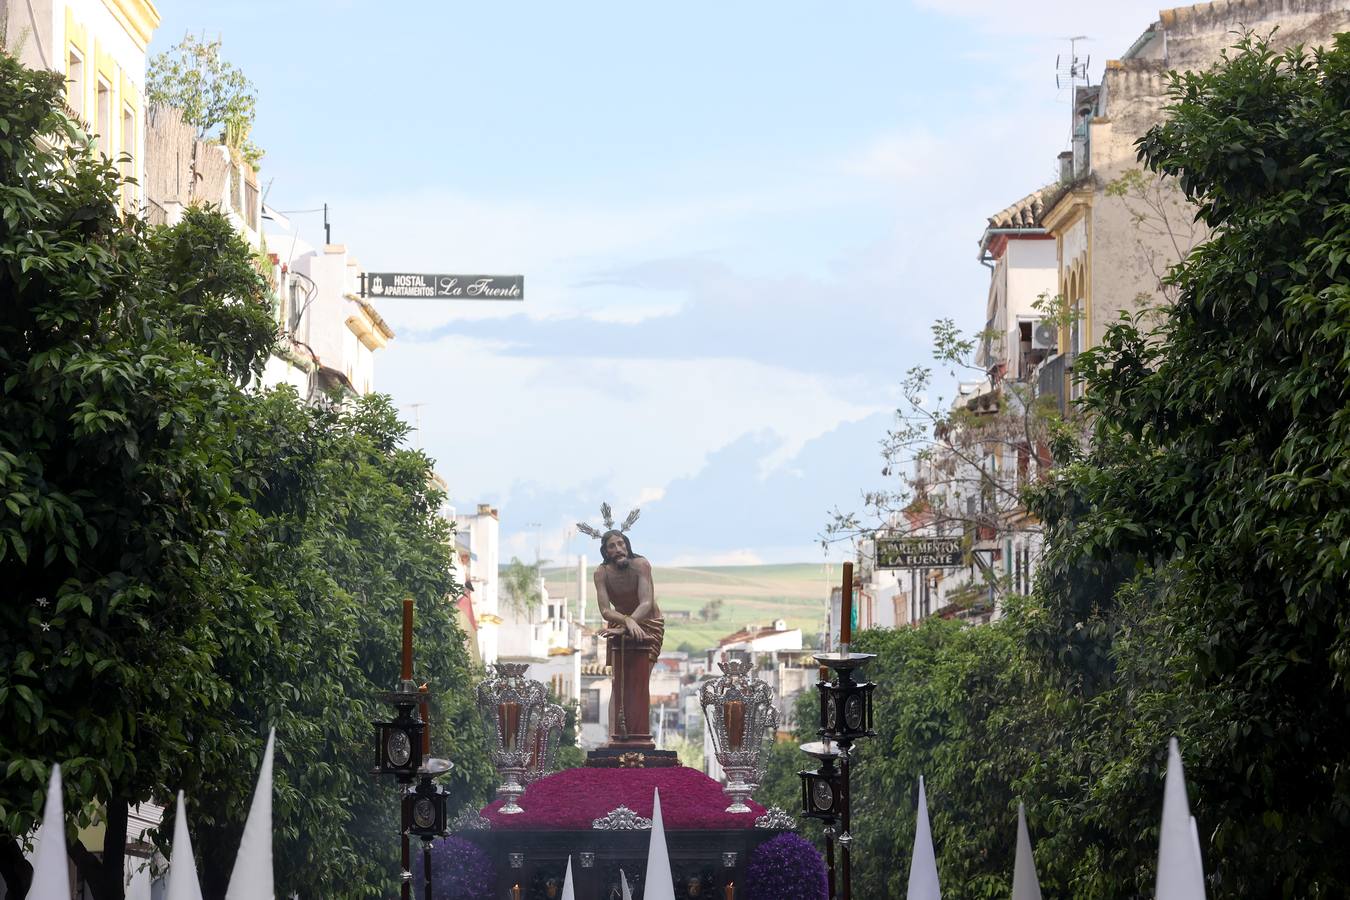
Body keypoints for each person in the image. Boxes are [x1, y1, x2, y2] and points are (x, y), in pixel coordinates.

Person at [594, 530, 664, 660]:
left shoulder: (641, 565)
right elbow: (605, 610)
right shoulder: (601, 573)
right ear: (605, 552)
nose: (618, 549)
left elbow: (646, 602)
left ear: (627, 545)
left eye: (621, 544)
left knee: (642, 668)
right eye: (612, 546)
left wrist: (630, 623)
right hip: (620, 623)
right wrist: (627, 621)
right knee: (620, 673)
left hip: (648, 623)